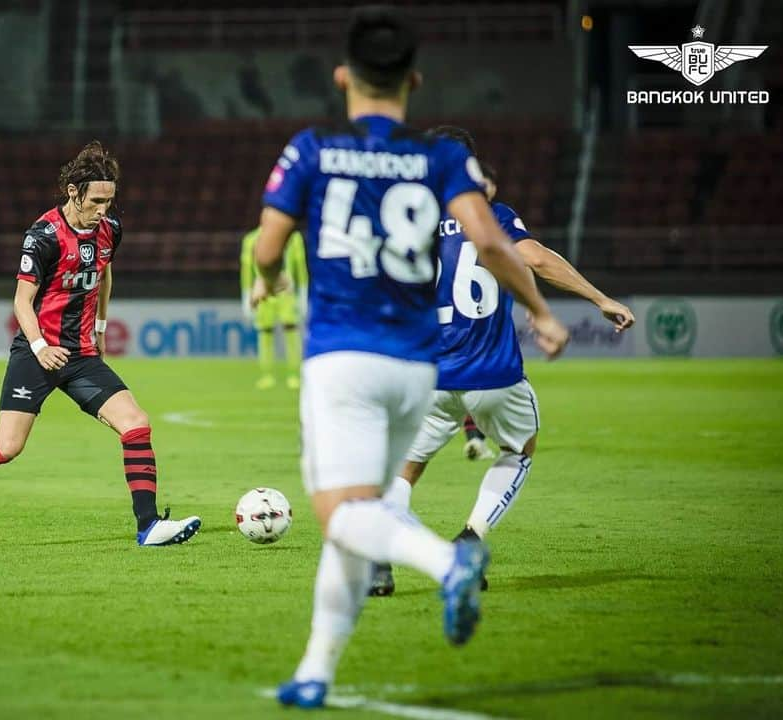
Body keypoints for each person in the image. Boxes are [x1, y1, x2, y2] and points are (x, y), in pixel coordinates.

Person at [252, 7, 569, 709]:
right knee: (366, 506)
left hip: (343, 355)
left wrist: (268, 282)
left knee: (342, 513)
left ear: (342, 77)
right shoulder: (442, 159)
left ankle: (446, 560)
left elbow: (270, 247)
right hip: (415, 366)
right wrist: (542, 313)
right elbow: (492, 244)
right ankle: (316, 671)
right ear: (414, 81)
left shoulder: (312, 149)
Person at [368, 128, 633, 597]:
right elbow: (538, 259)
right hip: (492, 373)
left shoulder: (406, 224)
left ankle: (382, 563)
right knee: (519, 448)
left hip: (426, 374)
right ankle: (469, 539)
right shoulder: (493, 218)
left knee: (401, 470)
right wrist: (598, 298)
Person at [0, 141, 201, 547]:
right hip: (35, 352)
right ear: (73, 192)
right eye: (96, 201)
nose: (104, 210)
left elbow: (104, 272)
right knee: (6, 446)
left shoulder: (109, 229)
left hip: (79, 355)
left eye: (109, 202)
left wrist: (99, 325)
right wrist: (41, 346)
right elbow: (21, 302)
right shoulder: (43, 236)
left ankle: (148, 527)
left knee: (136, 423)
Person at [240, 226, 307, 389]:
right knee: (265, 335)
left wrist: (303, 293)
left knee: (292, 334)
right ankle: (267, 375)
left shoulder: (294, 239)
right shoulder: (251, 239)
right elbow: (247, 270)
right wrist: (246, 296)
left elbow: (301, 266)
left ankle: (294, 374)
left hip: (287, 292)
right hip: (263, 293)